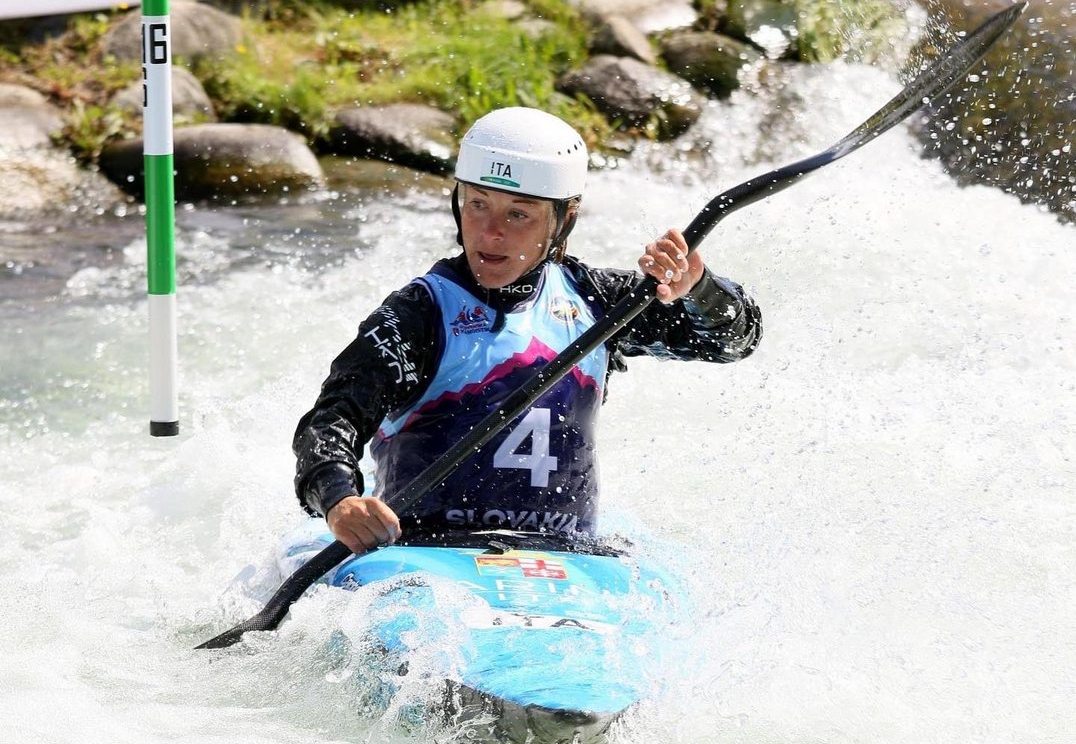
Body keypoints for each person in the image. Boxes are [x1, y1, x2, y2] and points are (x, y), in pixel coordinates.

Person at [293, 107, 762, 554]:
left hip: (566, 557)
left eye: (519, 213)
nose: (490, 232)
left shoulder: (598, 303)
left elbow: (734, 340)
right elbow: (331, 420)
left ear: (564, 220)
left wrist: (698, 288)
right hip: (425, 554)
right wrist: (340, 501)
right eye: (477, 205)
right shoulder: (418, 316)